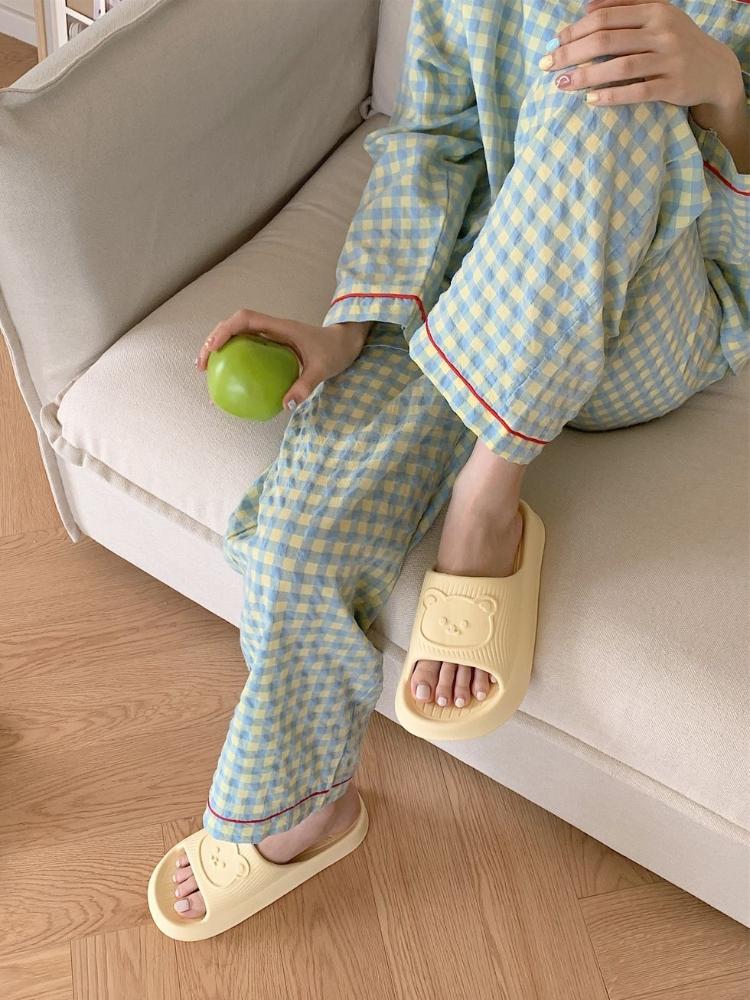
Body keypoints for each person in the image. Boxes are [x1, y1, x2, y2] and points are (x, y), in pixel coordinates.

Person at [174, 0, 749, 920]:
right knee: (298, 539)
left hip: (657, 317)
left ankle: (488, 496)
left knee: (617, 70)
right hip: (483, 283)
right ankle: (305, 806)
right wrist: (347, 328)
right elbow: (433, 140)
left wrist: (724, 91)